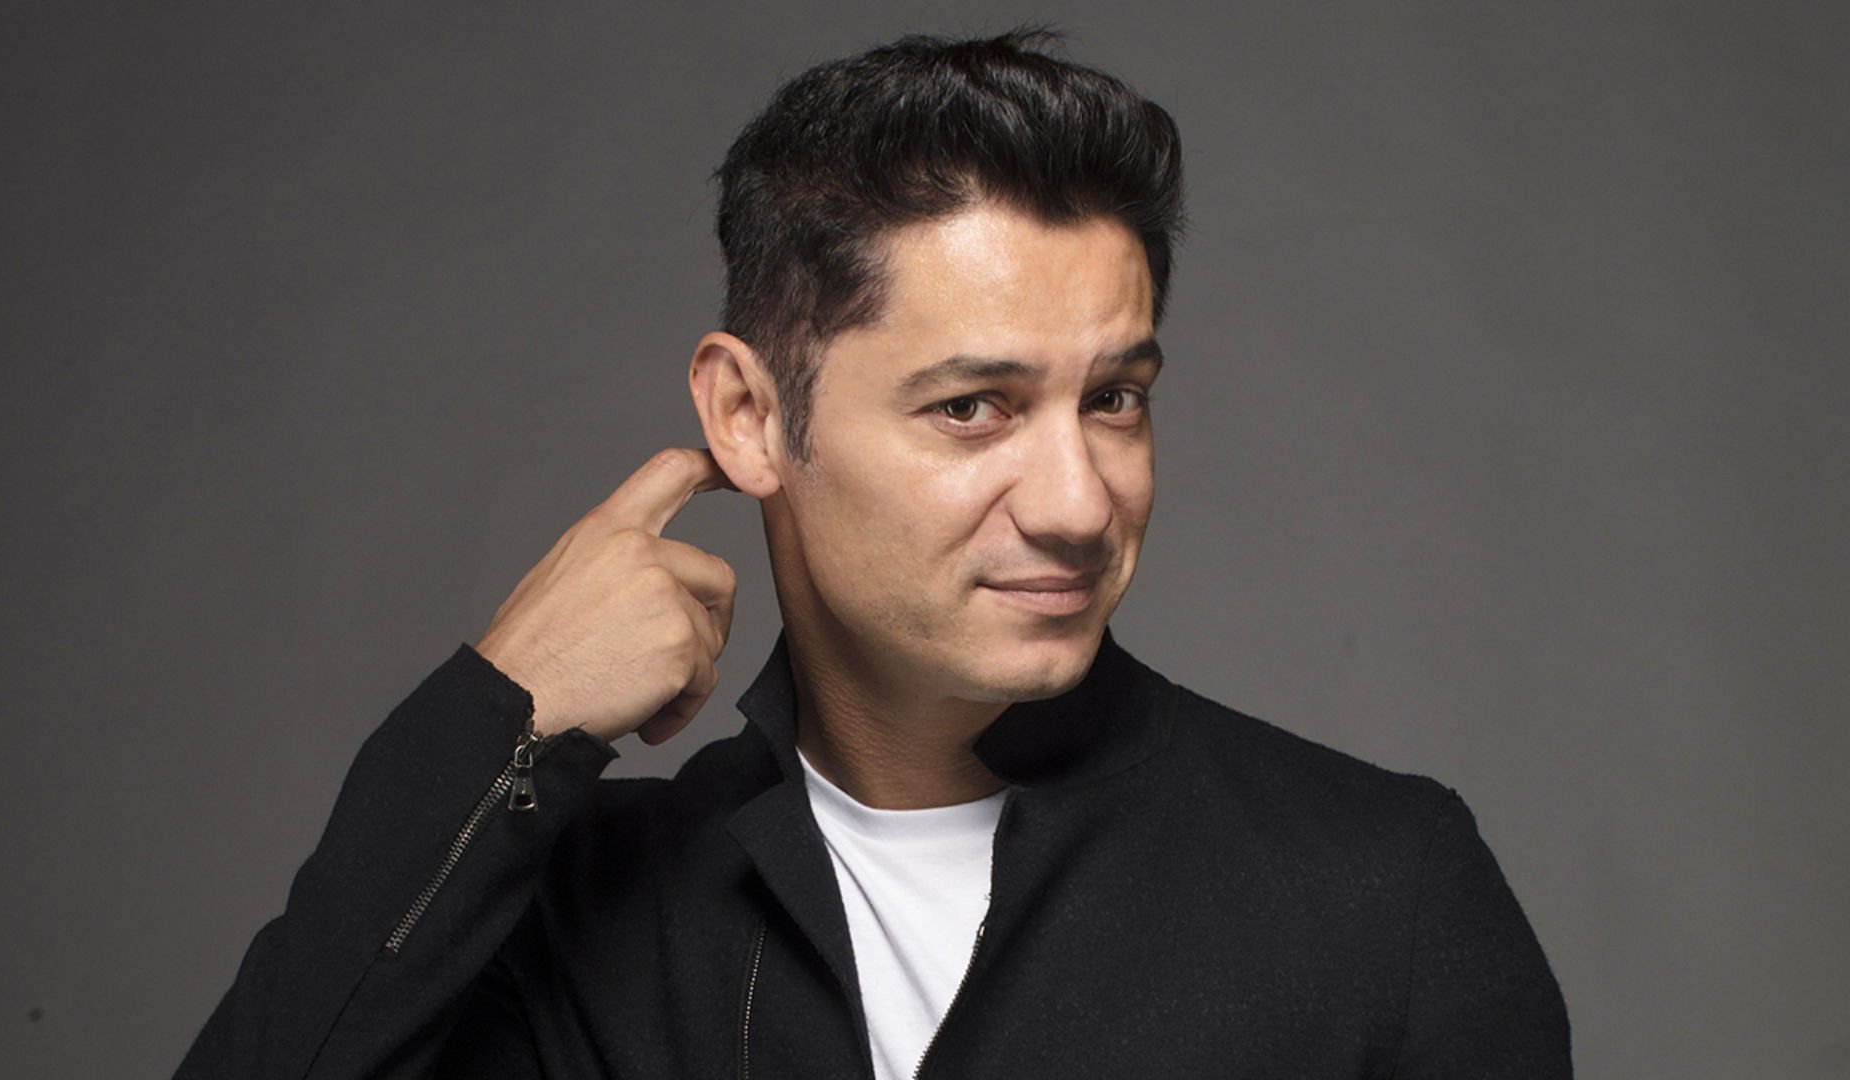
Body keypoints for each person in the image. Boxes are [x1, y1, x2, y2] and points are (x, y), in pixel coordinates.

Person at [176, 30, 1570, 1079]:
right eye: (974, 408)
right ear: (749, 415)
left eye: (1114, 399)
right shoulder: (583, 926)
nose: (1079, 503)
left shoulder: (1380, 893)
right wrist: (505, 716)